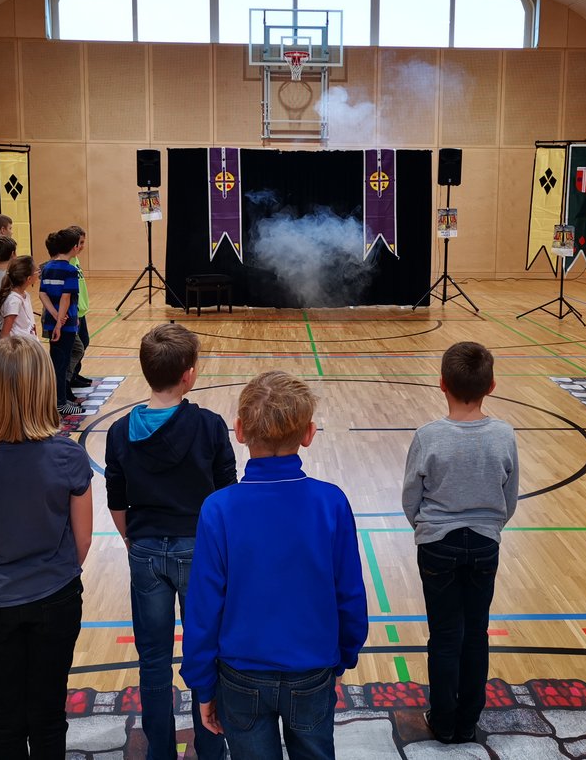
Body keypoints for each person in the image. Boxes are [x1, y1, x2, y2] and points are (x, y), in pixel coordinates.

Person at [181, 371, 368, 760]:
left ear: (239, 431)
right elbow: (350, 594)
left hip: (240, 676)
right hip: (312, 671)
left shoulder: (219, 509)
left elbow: (202, 609)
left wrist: (203, 684)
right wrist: (343, 657)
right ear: (309, 433)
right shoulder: (331, 503)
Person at [0, 336, 93, 759]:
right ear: (45, 386)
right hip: (56, 597)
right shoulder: (67, 455)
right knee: (48, 714)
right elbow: (83, 540)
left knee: (7, 716)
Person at [104, 323, 236, 760]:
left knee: (153, 659)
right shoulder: (210, 426)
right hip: (199, 549)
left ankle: (159, 751)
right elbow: (226, 497)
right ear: (188, 375)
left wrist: (131, 539)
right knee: (206, 652)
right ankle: (211, 749)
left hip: (145, 549)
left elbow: (116, 498)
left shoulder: (120, 431)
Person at [402, 342, 518, 744]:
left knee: (445, 636)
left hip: (438, 545)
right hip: (485, 543)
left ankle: (444, 719)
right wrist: (491, 524)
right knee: (475, 633)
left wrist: (426, 528)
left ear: (442, 384)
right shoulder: (504, 434)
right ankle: (468, 720)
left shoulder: (428, 436)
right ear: (492, 386)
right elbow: (510, 495)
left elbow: (411, 497)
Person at [39, 228, 81, 415]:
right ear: (74, 247)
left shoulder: (48, 267)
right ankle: (60, 403)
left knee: (57, 360)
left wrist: (55, 316)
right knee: (61, 364)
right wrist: (60, 322)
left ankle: (59, 399)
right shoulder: (70, 270)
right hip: (65, 324)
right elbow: (66, 297)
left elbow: (42, 294)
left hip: (53, 320)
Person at [66, 225, 93, 391]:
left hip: (81, 310)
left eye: (83, 242)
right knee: (76, 346)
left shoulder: (75, 259)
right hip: (74, 312)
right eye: (80, 243)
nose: (82, 246)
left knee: (84, 341)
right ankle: (68, 378)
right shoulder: (68, 261)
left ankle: (75, 374)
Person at [0, 255, 40, 340]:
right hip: (20, 345)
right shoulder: (14, 301)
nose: (38, 272)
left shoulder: (25, 294)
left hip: (29, 342)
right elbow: (4, 334)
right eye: (36, 271)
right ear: (29, 279)